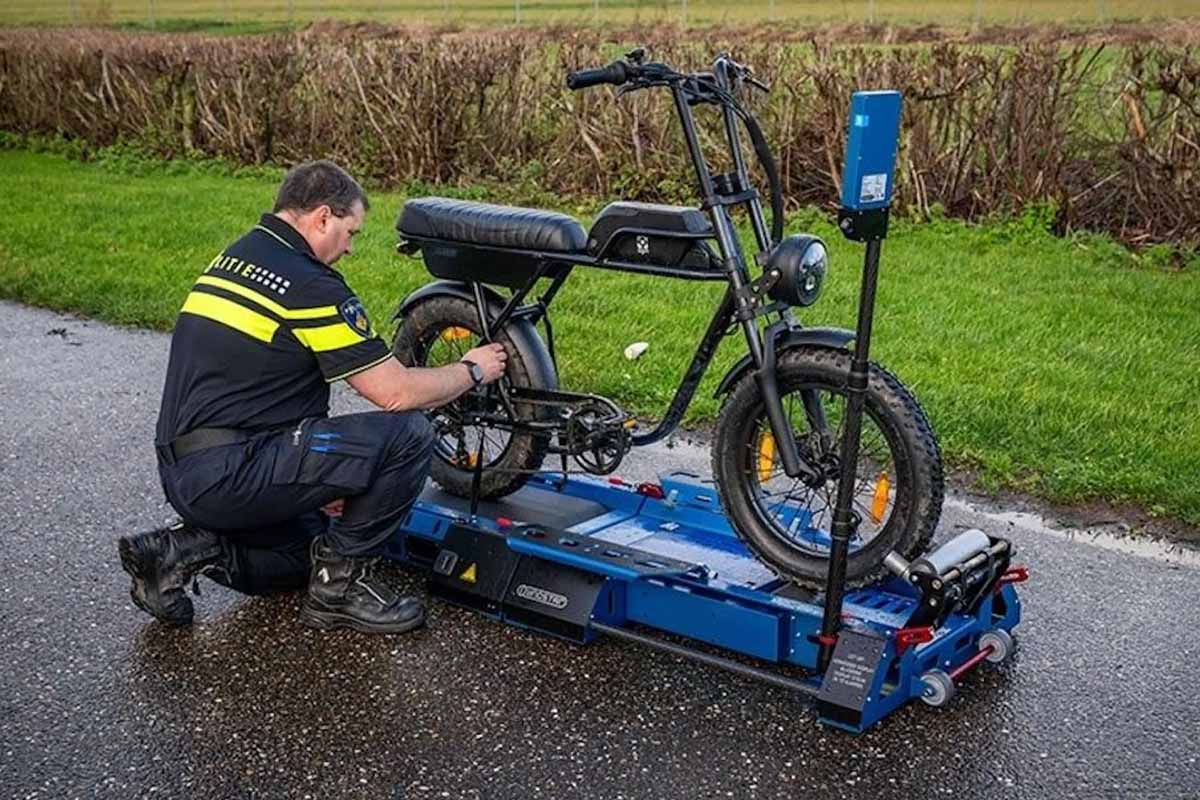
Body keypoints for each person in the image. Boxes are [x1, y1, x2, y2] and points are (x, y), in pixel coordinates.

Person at [118, 160, 506, 634]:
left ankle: (178, 553)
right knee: (408, 433)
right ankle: (339, 591)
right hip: (235, 469)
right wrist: (473, 369)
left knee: (305, 551)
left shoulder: (239, 256)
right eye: (350, 232)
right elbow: (397, 392)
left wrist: (321, 482)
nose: (349, 248)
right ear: (322, 216)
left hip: (187, 472)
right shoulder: (309, 285)